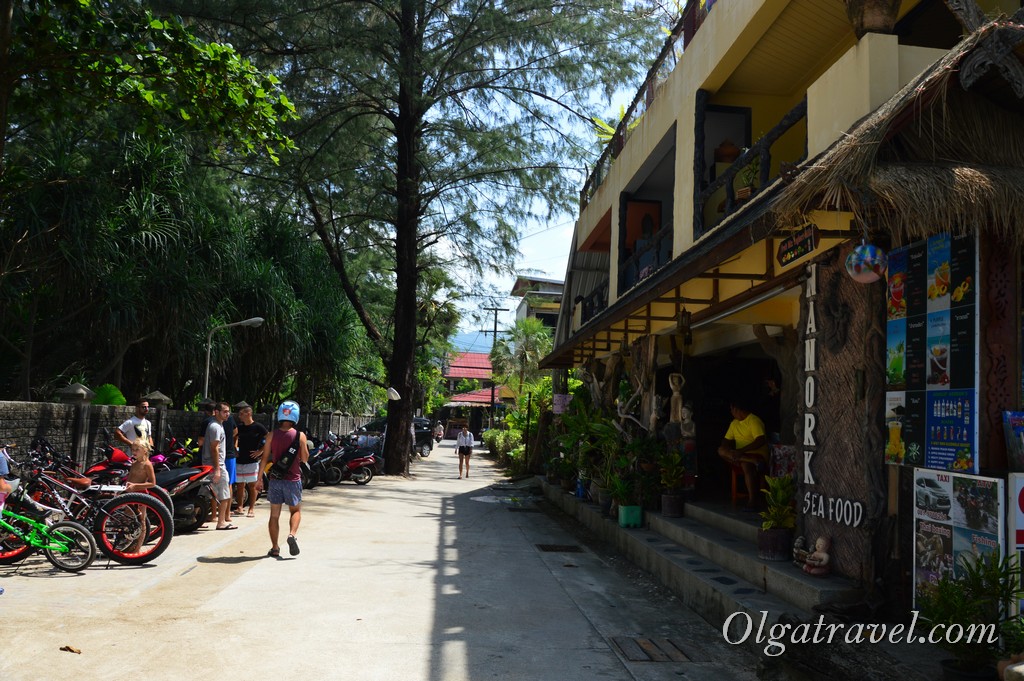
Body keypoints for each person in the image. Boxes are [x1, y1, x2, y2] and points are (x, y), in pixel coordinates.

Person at [255, 401, 308, 558]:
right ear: (296, 416)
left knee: (274, 515)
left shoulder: (271, 435)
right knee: (295, 510)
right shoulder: (300, 436)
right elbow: (304, 459)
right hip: (293, 480)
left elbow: (264, 458)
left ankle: (275, 547)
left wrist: (259, 479)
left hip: (275, 479)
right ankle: (291, 535)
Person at [716, 396, 769, 509]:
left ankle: (752, 501)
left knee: (746, 465)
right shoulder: (734, 423)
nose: (731, 412)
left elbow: (761, 440)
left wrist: (741, 451)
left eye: (731, 409)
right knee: (720, 450)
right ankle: (752, 461)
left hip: (756, 453)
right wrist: (728, 449)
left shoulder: (754, 420)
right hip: (740, 456)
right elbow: (726, 440)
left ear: (735, 409)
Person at [203, 401, 236, 530]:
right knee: (224, 494)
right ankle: (221, 521)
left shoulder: (218, 425)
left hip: (214, 464)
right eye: (224, 411)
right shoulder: (215, 427)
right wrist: (217, 469)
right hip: (216, 465)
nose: (227, 414)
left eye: (228, 411)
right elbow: (214, 448)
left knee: (210, 493)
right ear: (216, 412)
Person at [234, 402, 267, 518]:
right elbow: (234, 437)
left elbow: (269, 439)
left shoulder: (258, 427)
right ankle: (240, 507)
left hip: (252, 461)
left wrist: (260, 451)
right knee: (240, 485)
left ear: (248, 413)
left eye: (241, 413)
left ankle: (251, 508)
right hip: (240, 459)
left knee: (252, 486)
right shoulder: (240, 427)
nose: (240, 416)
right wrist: (235, 449)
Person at [124, 440, 156, 552]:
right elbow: (129, 479)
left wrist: (135, 486)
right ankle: (128, 544)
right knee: (128, 519)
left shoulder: (147, 465)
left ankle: (137, 548)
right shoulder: (134, 463)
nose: (134, 452)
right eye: (133, 449)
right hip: (130, 494)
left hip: (141, 495)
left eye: (137, 449)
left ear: (145, 450)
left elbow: (152, 483)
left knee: (141, 520)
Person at [222, 411, 239, 516]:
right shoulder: (230, 419)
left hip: (226, 455)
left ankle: (220, 514)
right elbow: (235, 431)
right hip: (229, 454)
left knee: (225, 484)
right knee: (229, 484)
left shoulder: (211, 422)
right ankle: (227, 514)